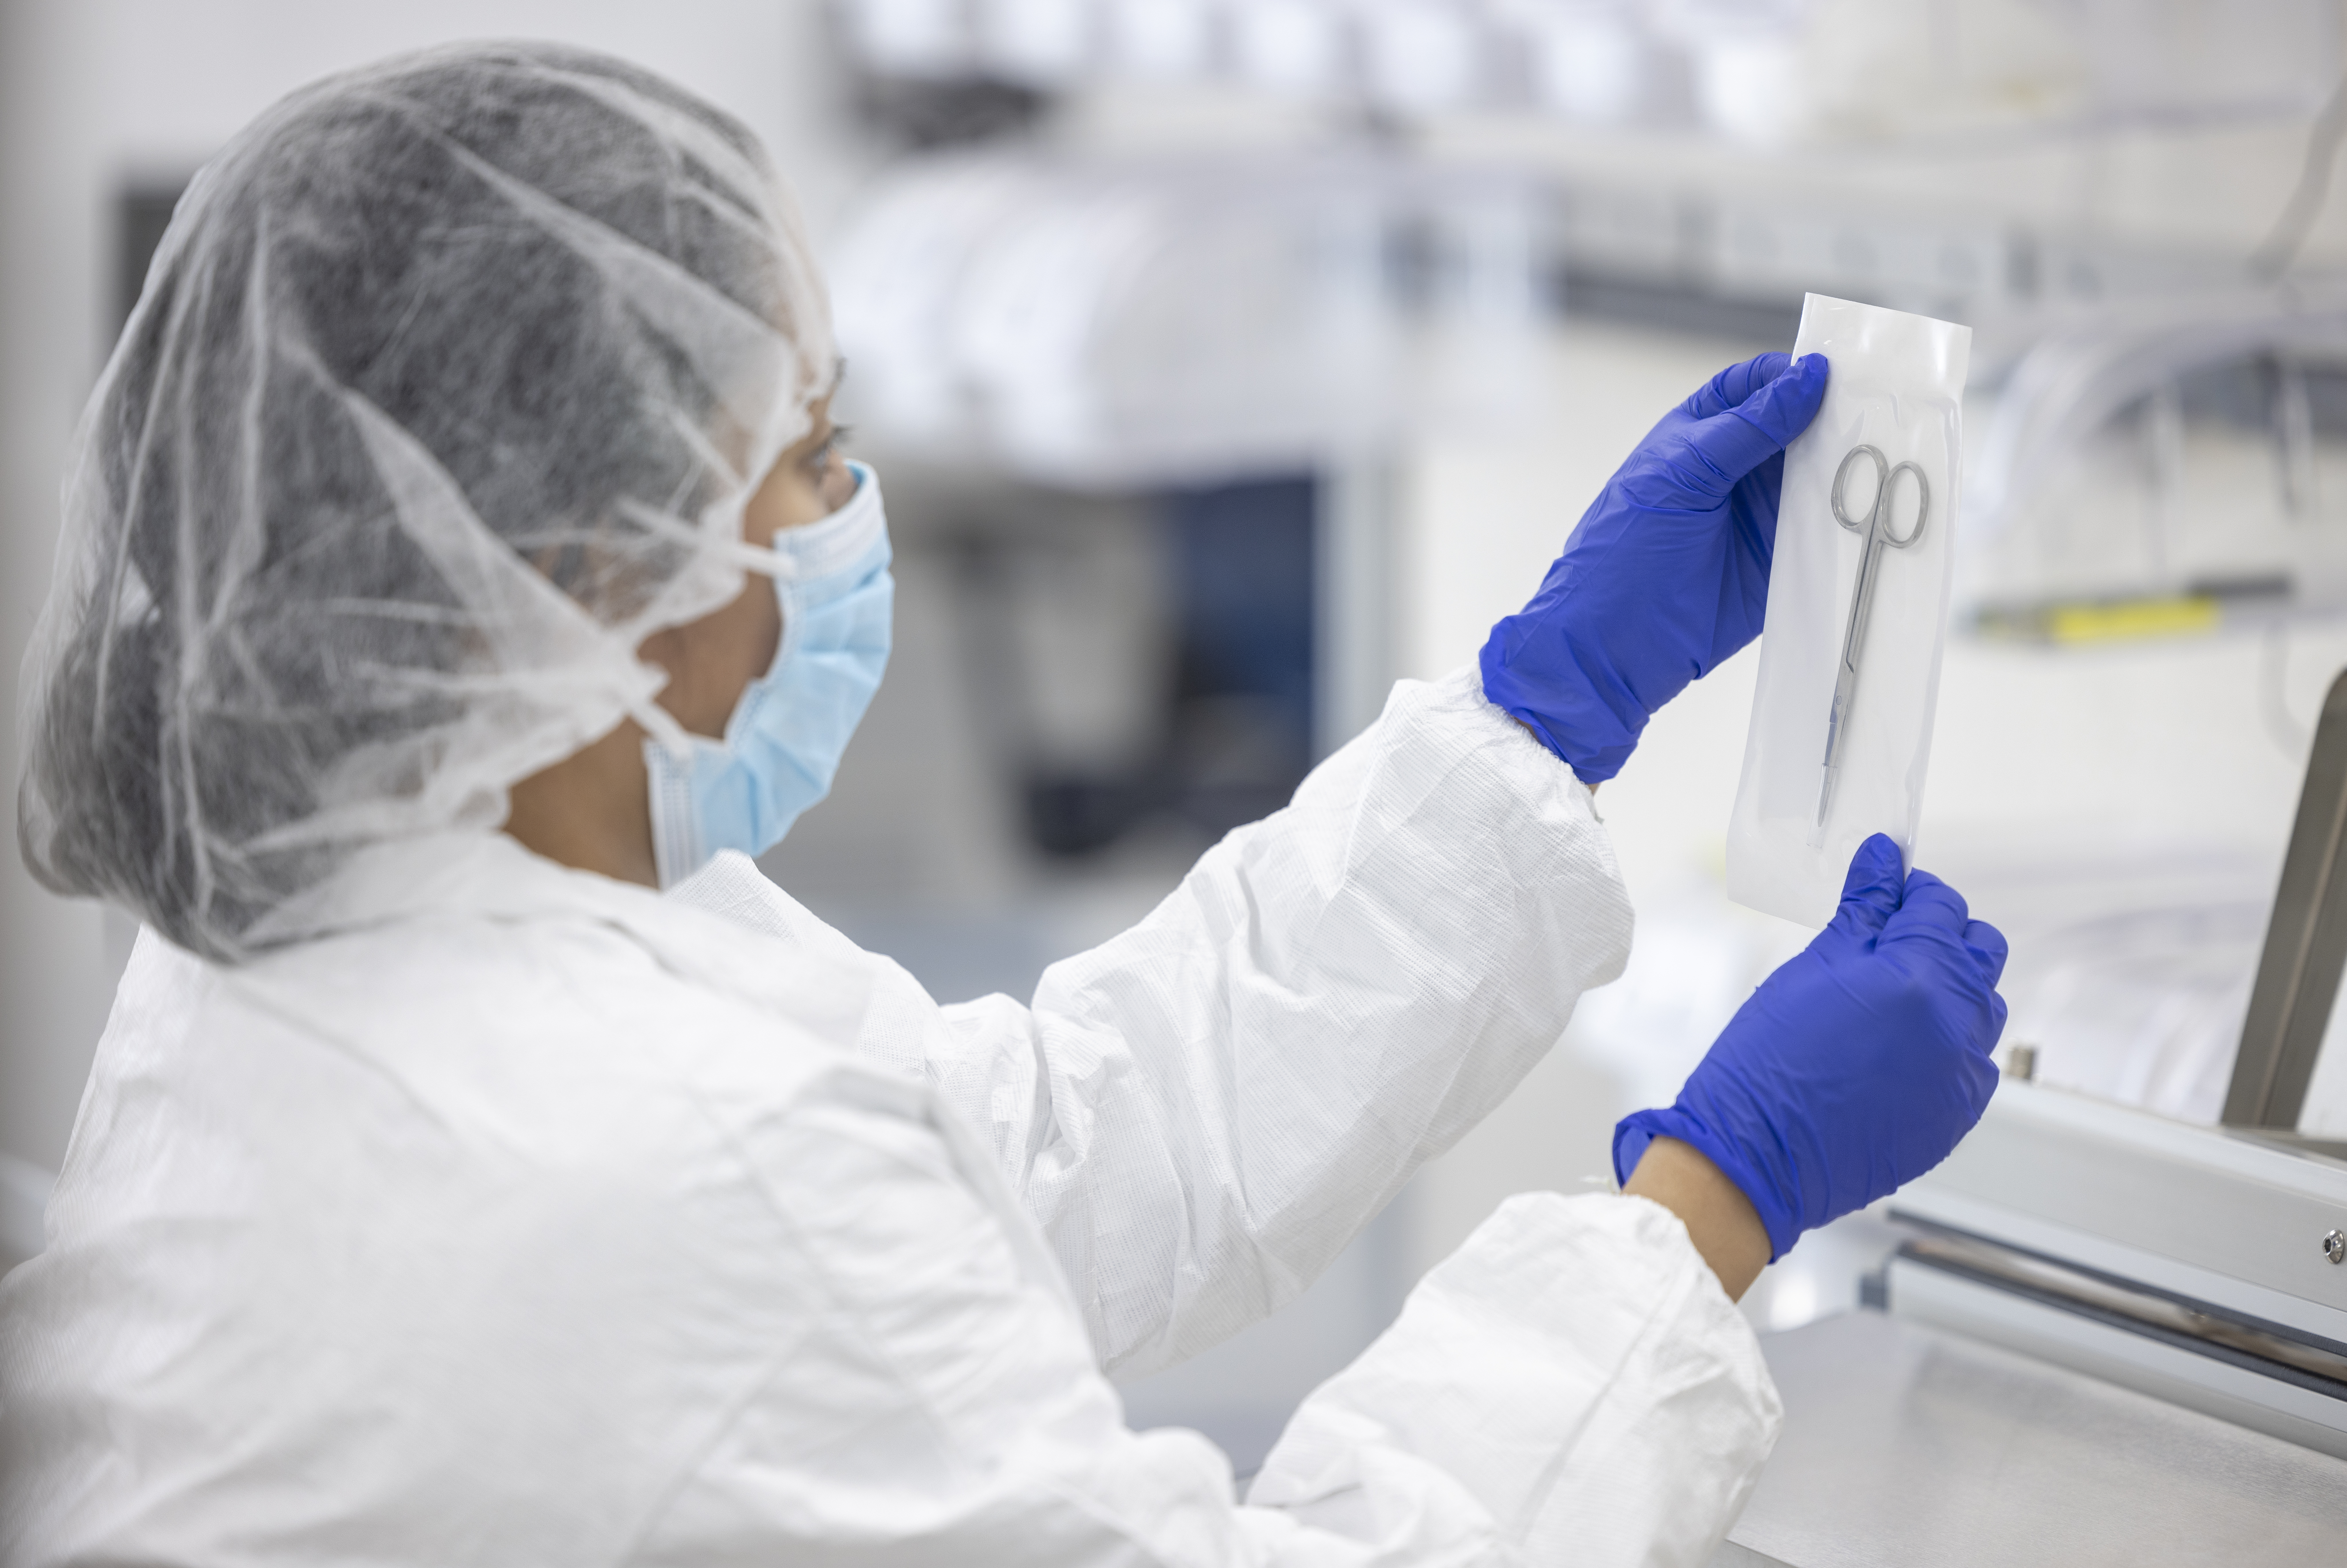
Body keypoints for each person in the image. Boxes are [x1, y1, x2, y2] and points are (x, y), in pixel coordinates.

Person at [0, 42, 2007, 1568]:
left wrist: (1539, 719)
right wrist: (1703, 1210)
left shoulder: (361, 932)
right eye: (805, 453)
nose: (848, 520)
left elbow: (1021, 1163)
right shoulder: (660, 1149)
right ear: (592, 566)